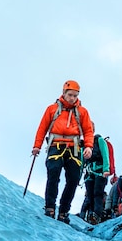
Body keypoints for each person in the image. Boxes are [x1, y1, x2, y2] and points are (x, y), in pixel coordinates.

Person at [32, 80, 94, 224]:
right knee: (53, 173)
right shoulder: (52, 109)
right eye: (70, 95)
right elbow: (42, 128)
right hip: (56, 145)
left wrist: (89, 147)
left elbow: (88, 131)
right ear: (63, 93)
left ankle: (64, 211)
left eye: (75, 95)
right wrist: (37, 146)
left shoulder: (82, 112)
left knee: (73, 179)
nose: (72, 98)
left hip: (75, 148)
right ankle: (50, 207)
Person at [80, 129, 114, 225]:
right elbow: (82, 160)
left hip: (100, 172)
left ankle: (97, 215)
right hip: (89, 173)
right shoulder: (85, 143)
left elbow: (105, 154)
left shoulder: (99, 140)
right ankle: (91, 215)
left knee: (97, 193)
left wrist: (106, 169)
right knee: (90, 195)